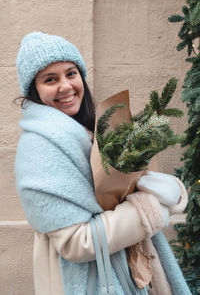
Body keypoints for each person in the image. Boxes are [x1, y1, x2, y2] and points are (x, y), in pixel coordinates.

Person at [15, 32, 189, 295]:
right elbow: (75, 242)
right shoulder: (39, 149)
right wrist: (149, 208)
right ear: (35, 91)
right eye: (50, 79)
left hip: (119, 268)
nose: (65, 86)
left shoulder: (89, 129)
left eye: (71, 73)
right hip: (88, 281)